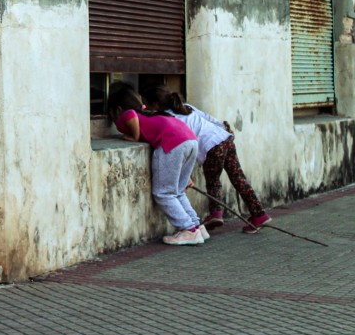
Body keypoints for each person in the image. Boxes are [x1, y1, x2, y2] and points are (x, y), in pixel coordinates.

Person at [141, 85, 271, 233]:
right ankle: (259, 214)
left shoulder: (167, 119)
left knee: (213, 181)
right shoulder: (186, 107)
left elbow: (179, 145)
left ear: (155, 105)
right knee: (239, 178)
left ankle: (216, 213)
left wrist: (184, 172)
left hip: (210, 147)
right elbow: (210, 119)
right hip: (224, 139)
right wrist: (225, 129)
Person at [105, 85, 205, 245]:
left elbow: (130, 115)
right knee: (178, 191)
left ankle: (188, 229)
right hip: (190, 140)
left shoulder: (128, 114)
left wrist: (133, 137)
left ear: (117, 108)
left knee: (163, 192)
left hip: (171, 143)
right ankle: (196, 226)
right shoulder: (151, 114)